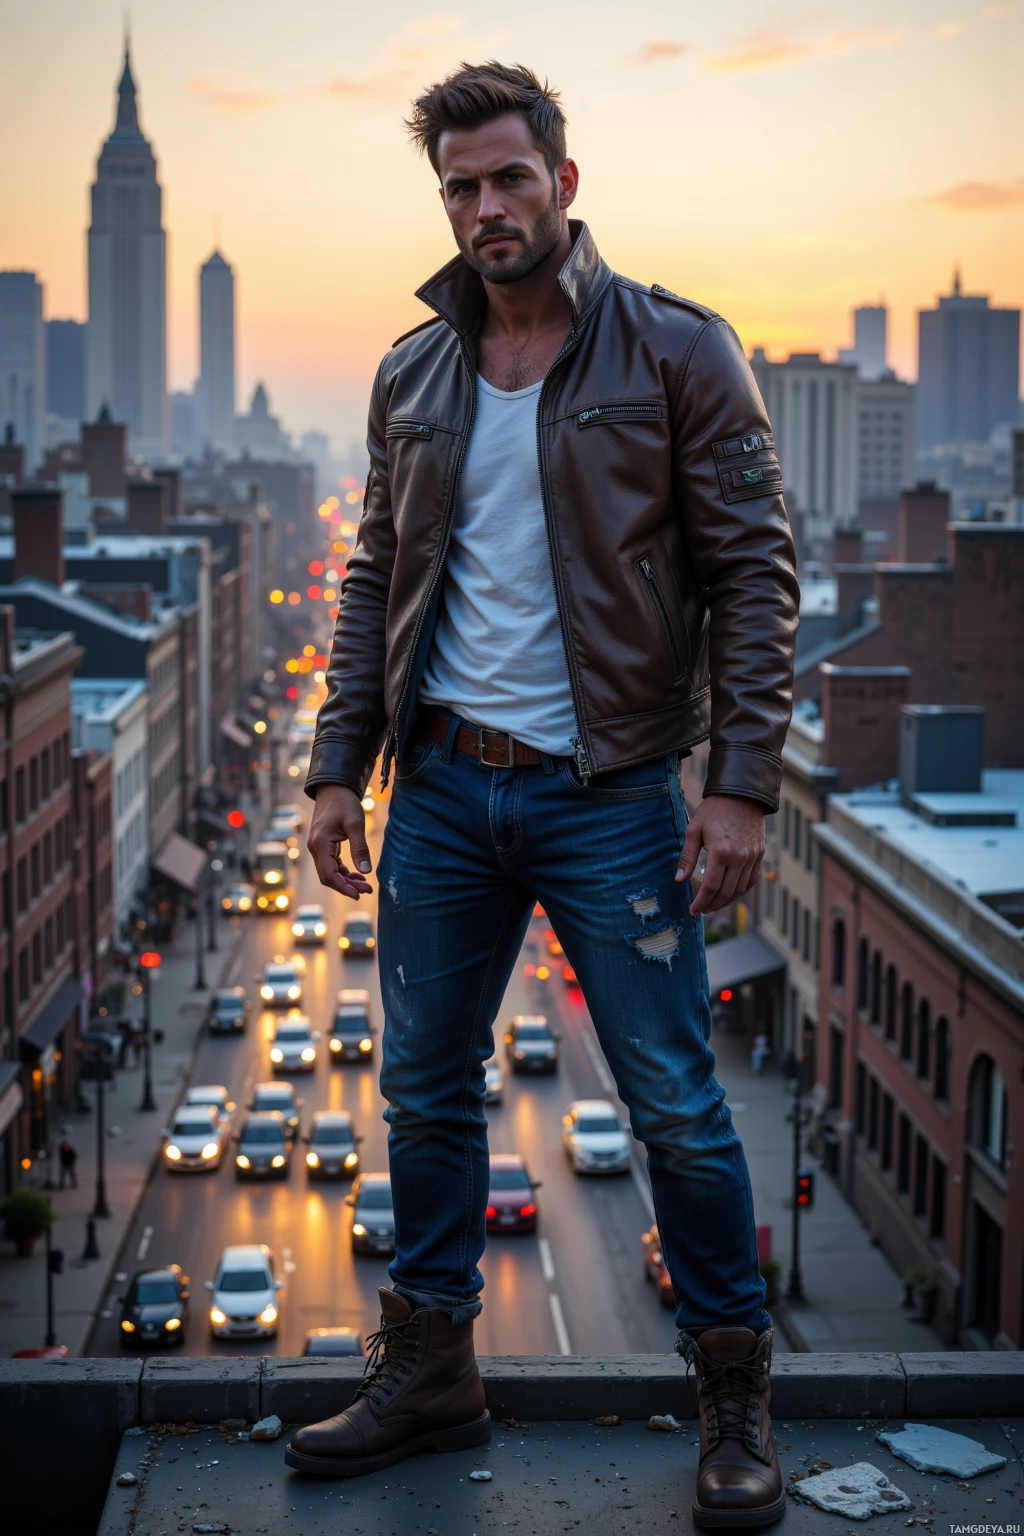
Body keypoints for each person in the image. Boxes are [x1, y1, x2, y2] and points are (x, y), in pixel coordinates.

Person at [294, 62, 798, 1528]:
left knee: (678, 1109)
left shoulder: (676, 353)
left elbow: (754, 576)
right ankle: (434, 1362)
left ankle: (730, 1387)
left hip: (615, 792)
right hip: (446, 788)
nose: (486, 206)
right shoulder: (416, 370)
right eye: (460, 185)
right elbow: (376, 576)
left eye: (509, 177)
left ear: (563, 183)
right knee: (422, 1090)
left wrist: (743, 787)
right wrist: (338, 764)